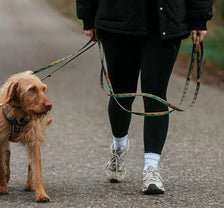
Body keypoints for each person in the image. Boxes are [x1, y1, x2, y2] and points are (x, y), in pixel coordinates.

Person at [76, 0, 213, 194]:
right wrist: (87, 16)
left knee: (155, 94)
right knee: (121, 94)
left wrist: (199, 18)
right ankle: (119, 146)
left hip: (165, 21)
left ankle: (151, 167)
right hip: (117, 20)